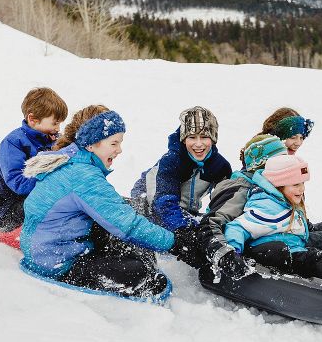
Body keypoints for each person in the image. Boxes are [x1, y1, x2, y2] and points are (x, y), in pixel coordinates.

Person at [19, 105, 195, 298]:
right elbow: (128, 225)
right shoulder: (83, 176)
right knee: (146, 279)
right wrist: (175, 243)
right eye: (113, 143)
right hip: (54, 260)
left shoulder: (73, 159)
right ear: (91, 144)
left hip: (50, 246)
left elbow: (113, 209)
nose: (119, 150)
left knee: (130, 215)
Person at [197, 134, 322, 278]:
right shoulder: (242, 188)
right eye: (280, 160)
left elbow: (306, 228)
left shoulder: (281, 190)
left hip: (291, 239)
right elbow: (213, 224)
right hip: (267, 249)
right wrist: (227, 255)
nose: (286, 164)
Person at [223, 154, 322, 293]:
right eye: (295, 184)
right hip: (274, 255)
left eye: (302, 183)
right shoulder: (269, 207)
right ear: (279, 186)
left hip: (293, 253)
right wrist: (233, 254)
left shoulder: (285, 203)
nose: (302, 189)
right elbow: (237, 227)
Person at [130, 106, 232, 265]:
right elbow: (164, 201)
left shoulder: (220, 167)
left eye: (204, 137)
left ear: (213, 138)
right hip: (150, 204)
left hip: (183, 210)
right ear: (184, 139)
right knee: (187, 233)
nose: (198, 144)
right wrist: (182, 231)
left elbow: (224, 204)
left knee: (203, 230)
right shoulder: (172, 160)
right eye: (192, 137)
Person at [0, 87, 68, 248]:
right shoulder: (13, 143)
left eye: (60, 123)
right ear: (33, 119)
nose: (58, 128)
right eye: (54, 123)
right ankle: (22, 233)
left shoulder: (53, 140)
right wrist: (50, 177)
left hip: (32, 201)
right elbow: (18, 183)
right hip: (10, 208)